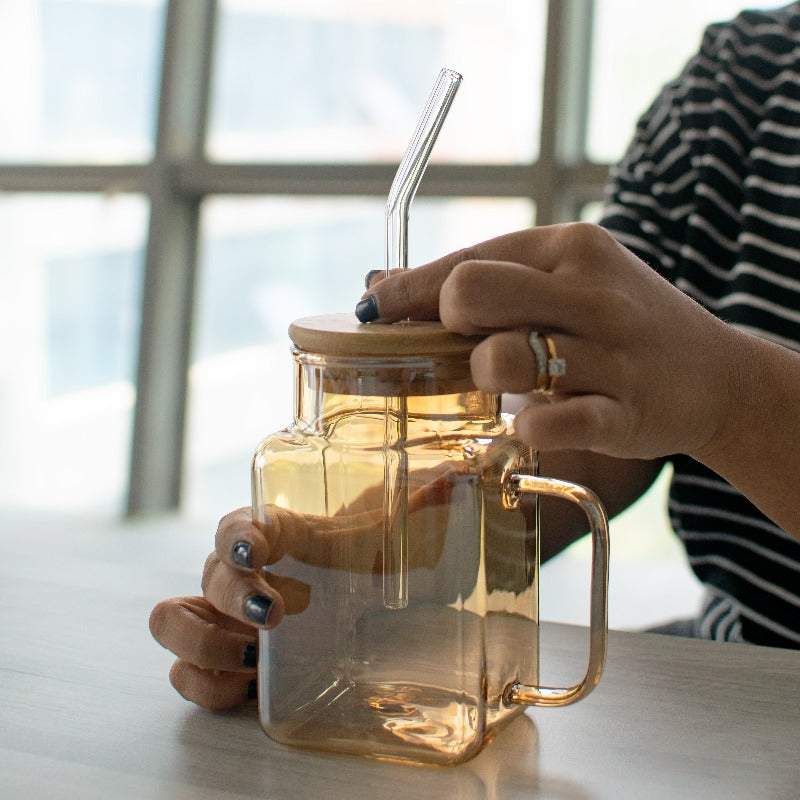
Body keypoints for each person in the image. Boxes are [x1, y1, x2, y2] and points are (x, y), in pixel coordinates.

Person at [150, 4, 800, 711]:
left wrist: (730, 397)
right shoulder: (739, 80)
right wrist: (350, 566)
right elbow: (596, 432)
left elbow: (683, 387)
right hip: (742, 679)